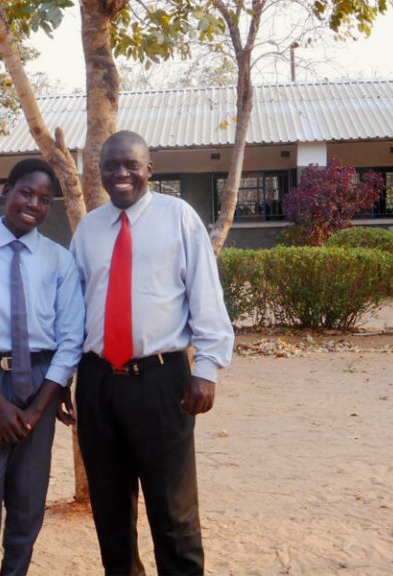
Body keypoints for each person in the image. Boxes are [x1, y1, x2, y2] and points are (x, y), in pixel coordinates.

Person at [69, 130, 234, 576]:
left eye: (131, 165)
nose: (121, 173)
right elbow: (73, 311)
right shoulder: (88, 230)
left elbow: (205, 294)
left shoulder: (178, 217)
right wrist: (66, 377)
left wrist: (207, 369)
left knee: (173, 511)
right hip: (99, 381)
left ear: (149, 169)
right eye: (111, 165)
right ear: (99, 171)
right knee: (110, 510)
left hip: (163, 381)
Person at [0, 158, 84, 576]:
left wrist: (39, 407)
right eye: (26, 192)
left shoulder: (59, 260)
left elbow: (70, 337)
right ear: (6, 191)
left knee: (28, 504)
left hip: (42, 386)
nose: (34, 204)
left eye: (45, 199)